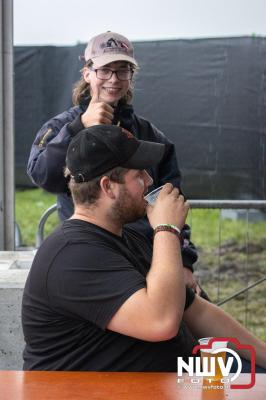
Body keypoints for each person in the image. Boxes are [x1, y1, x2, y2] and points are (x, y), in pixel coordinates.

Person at [22, 125, 266, 371]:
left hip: (181, 378)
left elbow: (197, 311)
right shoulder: (73, 254)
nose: (150, 181)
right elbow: (161, 321)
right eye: (139, 174)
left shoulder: (128, 238)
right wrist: (167, 229)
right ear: (108, 187)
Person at [26, 31, 201, 294]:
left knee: (188, 320)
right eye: (104, 70)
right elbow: (42, 175)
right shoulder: (62, 126)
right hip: (94, 255)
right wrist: (79, 127)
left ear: (131, 76)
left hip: (147, 256)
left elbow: (170, 199)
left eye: (122, 71)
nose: (114, 79)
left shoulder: (150, 136)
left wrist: (184, 262)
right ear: (87, 73)